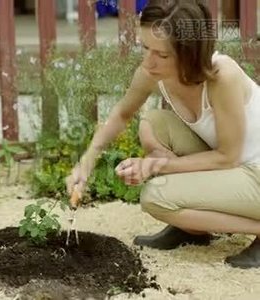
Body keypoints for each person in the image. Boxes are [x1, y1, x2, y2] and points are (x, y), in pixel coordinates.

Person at [66, 0, 260, 269]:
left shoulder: (221, 77)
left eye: (162, 54)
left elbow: (228, 157)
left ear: (190, 53)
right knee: (153, 123)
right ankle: (193, 229)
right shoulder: (152, 72)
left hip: (255, 171)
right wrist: (85, 163)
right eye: (146, 48)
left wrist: (154, 166)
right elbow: (122, 114)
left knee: (156, 196)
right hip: (237, 165)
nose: (149, 61)